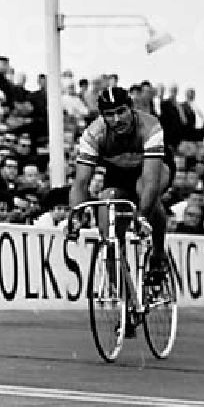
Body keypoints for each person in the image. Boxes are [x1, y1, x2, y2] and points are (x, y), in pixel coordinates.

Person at [69, 84, 174, 291]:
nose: (116, 120)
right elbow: (81, 183)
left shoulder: (150, 126)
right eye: (109, 115)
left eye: (121, 112)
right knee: (106, 205)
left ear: (131, 108)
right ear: (102, 116)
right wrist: (75, 217)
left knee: (144, 191)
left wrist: (142, 216)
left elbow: (152, 182)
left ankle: (158, 254)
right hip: (118, 172)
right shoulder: (93, 134)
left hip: (153, 168)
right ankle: (123, 294)